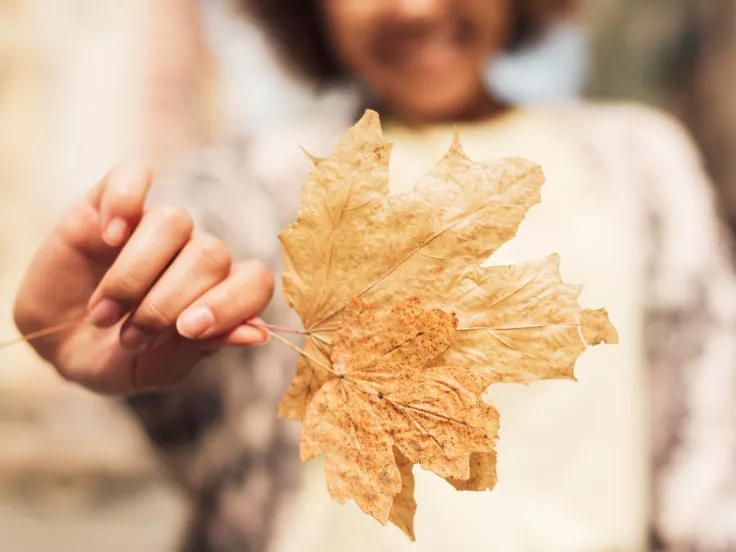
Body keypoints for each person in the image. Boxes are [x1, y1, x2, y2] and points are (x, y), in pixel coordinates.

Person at [12, 1, 736, 550]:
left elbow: (715, 432)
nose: (416, 8)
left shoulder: (640, 161)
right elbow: (208, 304)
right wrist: (133, 312)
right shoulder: (258, 179)